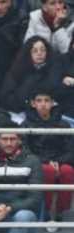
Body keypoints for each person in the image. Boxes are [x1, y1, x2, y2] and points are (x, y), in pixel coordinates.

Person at [23, 87, 74, 220]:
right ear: (33, 104)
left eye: (47, 100)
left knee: (68, 171)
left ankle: (60, 211)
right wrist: (47, 161)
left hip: (61, 161)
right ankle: (45, 210)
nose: (43, 104)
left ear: (52, 103)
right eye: (39, 100)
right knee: (47, 171)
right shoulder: (26, 124)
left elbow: (70, 149)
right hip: (38, 161)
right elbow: (25, 149)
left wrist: (58, 161)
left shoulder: (63, 124)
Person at [0, 124, 44, 233]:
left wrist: (9, 209)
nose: (8, 143)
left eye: (12, 139)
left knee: (23, 216)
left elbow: (35, 198)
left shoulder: (32, 161)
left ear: (19, 141)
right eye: (4, 139)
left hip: (19, 211)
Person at [0, 36, 63, 113]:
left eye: (42, 50)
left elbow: (58, 94)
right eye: (35, 51)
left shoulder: (55, 69)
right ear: (28, 53)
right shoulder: (17, 70)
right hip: (20, 111)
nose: (39, 53)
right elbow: (5, 97)